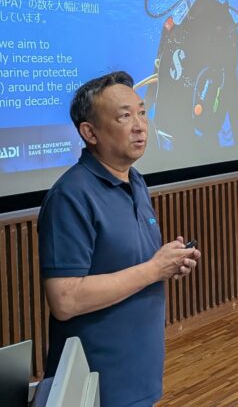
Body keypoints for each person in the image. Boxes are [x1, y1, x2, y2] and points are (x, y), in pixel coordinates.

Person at [38, 71, 201, 407]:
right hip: (96, 385)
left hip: (140, 374)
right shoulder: (70, 196)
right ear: (89, 132)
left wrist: (170, 263)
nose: (140, 125)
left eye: (142, 112)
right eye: (125, 116)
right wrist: (154, 269)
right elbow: (65, 300)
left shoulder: (135, 181)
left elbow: (134, 264)